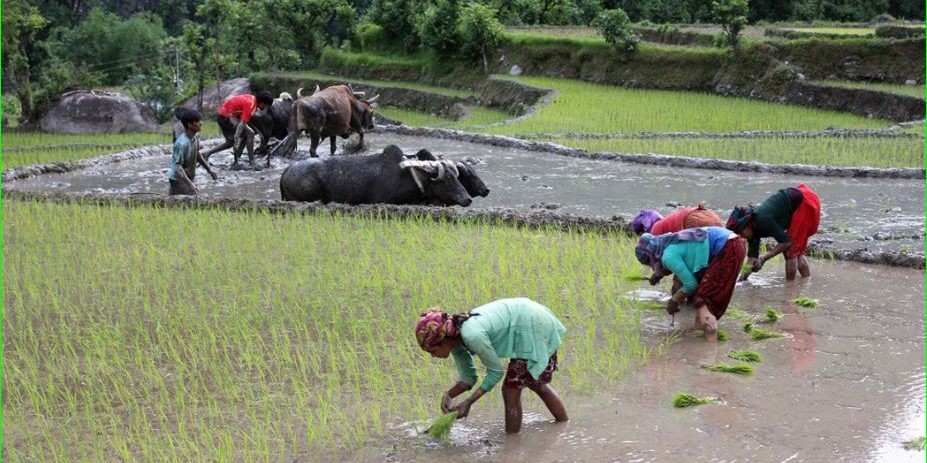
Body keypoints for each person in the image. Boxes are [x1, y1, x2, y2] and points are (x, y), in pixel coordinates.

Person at [415, 298, 568, 434]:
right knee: (536, 383)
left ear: (443, 340)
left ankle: (511, 448)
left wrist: (469, 402)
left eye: (433, 351)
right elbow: (469, 377)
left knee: (510, 390)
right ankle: (564, 427)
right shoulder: (455, 341)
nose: (433, 356)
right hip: (529, 319)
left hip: (531, 324)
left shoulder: (471, 334)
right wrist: (449, 395)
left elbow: (496, 372)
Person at [635, 227, 746, 340]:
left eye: (649, 263)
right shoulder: (669, 242)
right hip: (734, 243)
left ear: (651, 256)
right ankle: (698, 340)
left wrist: (674, 301)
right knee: (700, 296)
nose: (651, 266)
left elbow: (691, 285)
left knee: (704, 300)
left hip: (727, 247)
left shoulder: (668, 256)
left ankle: (710, 351)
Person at [726, 184, 821, 280]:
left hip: (804, 202)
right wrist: (741, 281)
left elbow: (786, 242)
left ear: (748, 224)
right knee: (796, 252)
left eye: (741, 232)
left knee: (790, 251)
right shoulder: (752, 233)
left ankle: (790, 290)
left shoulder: (762, 219)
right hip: (799, 202)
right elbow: (752, 259)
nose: (741, 236)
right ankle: (806, 281)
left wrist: (764, 259)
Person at [631, 205, 724, 291]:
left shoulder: (654, 234)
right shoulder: (664, 226)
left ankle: (685, 305)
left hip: (696, 223)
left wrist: (657, 275)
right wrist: (658, 274)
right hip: (713, 219)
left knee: (683, 282)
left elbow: (666, 262)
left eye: (639, 234)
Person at [202, 90, 274, 168]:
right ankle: (251, 161)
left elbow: (241, 116)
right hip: (226, 117)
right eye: (266, 106)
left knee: (245, 136)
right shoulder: (251, 105)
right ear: (262, 102)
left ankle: (237, 157)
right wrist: (236, 138)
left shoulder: (252, 98)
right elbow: (242, 124)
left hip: (227, 114)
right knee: (246, 136)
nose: (265, 108)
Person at [168, 109, 217, 196]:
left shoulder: (194, 138)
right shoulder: (181, 144)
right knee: (191, 200)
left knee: (175, 202)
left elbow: (197, 154)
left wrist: (209, 170)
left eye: (200, 120)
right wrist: (190, 184)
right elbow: (178, 166)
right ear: (189, 124)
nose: (201, 123)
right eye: (197, 121)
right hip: (179, 178)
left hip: (187, 176)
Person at [630, 205, 723, 236]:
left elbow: (665, 259)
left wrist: (658, 273)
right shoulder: (667, 223)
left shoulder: (656, 229)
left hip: (695, 221)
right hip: (714, 217)